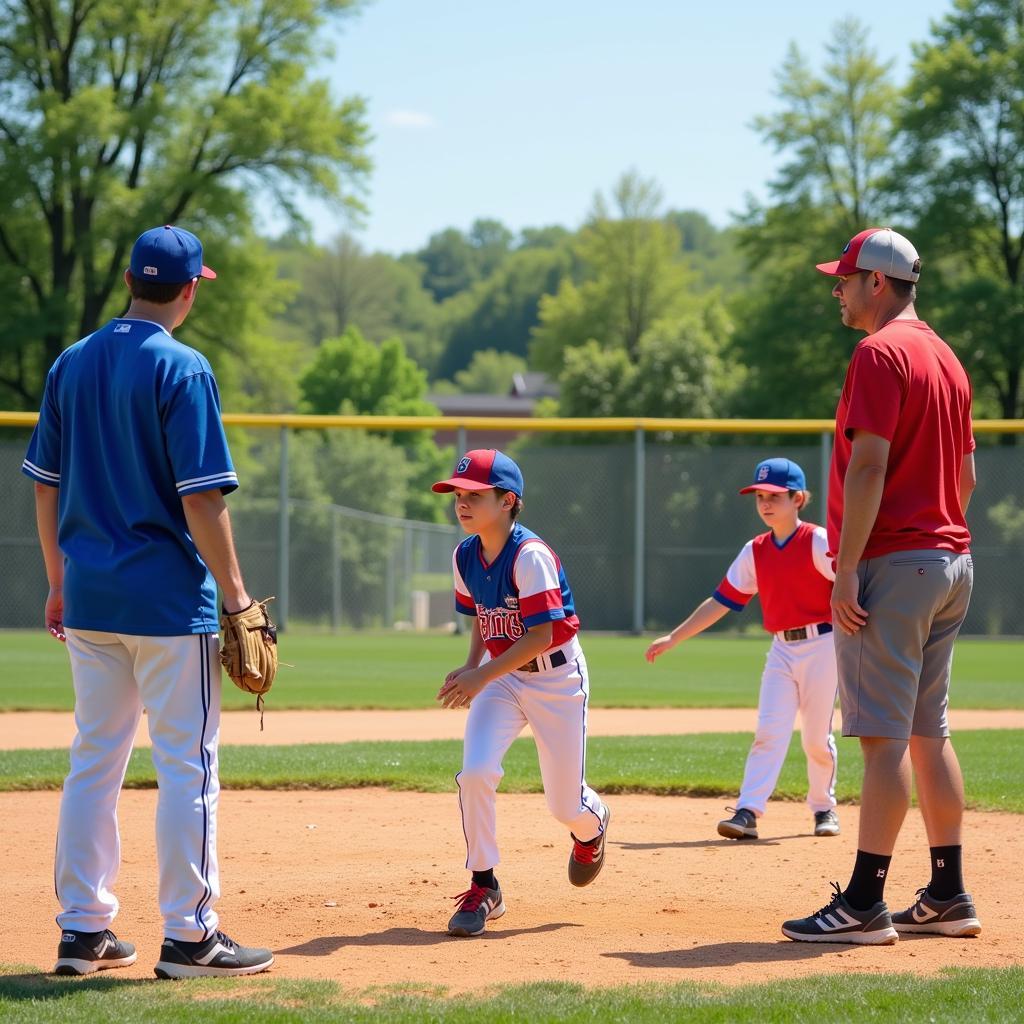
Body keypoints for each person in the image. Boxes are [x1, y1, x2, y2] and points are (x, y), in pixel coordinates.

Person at [22, 225, 275, 978]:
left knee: (94, 762)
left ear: (130, 279)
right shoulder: (183, 368)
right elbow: (203, 502)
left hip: (91, 600)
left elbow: (45, 481)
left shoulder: (72, 362)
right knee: (187, 766)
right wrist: (236, 595)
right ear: (189, 290)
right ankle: (191, 936)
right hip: (168, 604)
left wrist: (59, 580)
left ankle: (82, 930)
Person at [782, 227, 980, 945]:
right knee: (929, 730)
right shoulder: (946, 357)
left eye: (844, 279)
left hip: (894, 565)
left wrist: (847, 573)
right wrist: (939, 539)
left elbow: (867, 468)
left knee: (882, 737)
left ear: (878, 283)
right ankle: (949, 893)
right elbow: (966, 479)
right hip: (949, 561)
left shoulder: (878, 352)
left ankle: (865, 902)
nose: (837, 289)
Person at [432, 449, 611, 937]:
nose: (461, 503)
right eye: (456, 495)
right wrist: (473, 667)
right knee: (475, 773)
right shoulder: (464, 555)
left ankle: (592, 827)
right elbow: (481, 618)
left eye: (474, 495)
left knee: (564, 806)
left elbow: (541, 635)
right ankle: (484, 885)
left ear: (508, 501)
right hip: (503, 676)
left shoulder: (530, 555)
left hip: (556, 678)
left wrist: (480, 676)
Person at [646, 458, 840, 841]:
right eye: (759, 496)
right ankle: (748, 810)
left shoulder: (817, 541)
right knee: (769, 730)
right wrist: (675, 637)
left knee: (816, 738)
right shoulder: (755, 550)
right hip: (782, 649)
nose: (765, 503)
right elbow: (721, 600)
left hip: (824, 645)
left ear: (798, 498)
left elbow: (850, 580)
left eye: (775, 496)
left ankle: (824, 808)